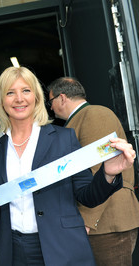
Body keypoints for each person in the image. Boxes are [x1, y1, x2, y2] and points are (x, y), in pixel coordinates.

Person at [0, 66, 136, 266]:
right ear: (2, 101)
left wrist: (108, 174)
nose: (19, 99)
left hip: (61, 247)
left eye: (26, 91)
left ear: (37, 98)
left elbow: (87, 196)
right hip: (14, 250)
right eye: (10, 92)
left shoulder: (63, 139)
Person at [47, 77, 139, 265]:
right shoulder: (79, 120)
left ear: (62, 98)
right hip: (101, 223)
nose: (50, 108)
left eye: (51, 101)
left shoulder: (94, 115)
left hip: (106, 223)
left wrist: (87, 221)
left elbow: (100, 169)